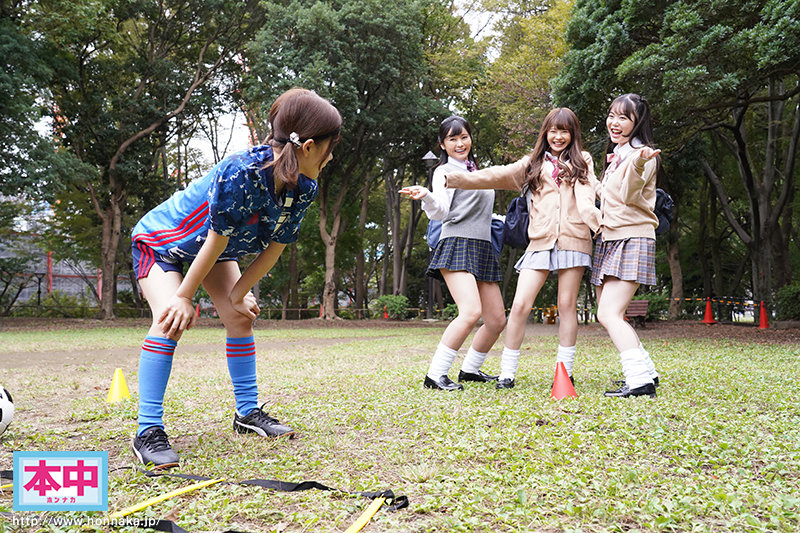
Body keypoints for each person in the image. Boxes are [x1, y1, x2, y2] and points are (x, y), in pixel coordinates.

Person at [129, 88, 341, 468]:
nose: (331, 157)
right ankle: (148, 430)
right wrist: (184, 297)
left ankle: (247, 412)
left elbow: (274, 248)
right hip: (161, 244)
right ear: (309, 147)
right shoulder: (241, 172)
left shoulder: (303, 188)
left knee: (240, 318)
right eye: (330, 148)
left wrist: (238, 295)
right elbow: (215, 239)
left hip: (216, 249)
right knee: (170, 321)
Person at [446, 108, 600, 389]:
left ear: (573, 134)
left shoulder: (583, 160)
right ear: (546, 133)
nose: (558, 137)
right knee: (519, 306)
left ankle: (565, 371)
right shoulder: (533, 163)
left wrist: (602, 219)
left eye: (564, 131)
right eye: (553, 131)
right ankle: (507, 373)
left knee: (567, 306)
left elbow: (592, 193)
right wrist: (455, 179)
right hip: (540, 240)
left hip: (575, 239)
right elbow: (496, 175)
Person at [399, 116, 506, 391]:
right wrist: (426, 195)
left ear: (471, 138)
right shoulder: (443, 172)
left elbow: (481, 211)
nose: (460, 143)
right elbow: (442, 211)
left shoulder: (477, 170)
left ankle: (470, 370)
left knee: (496, 320)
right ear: (442, 144)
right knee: (470, 312)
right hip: (457, 243)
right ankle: (435, 375)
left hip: (482, 246)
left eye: (464, 137)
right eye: (452, 139)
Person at [592, 93, 661, 398]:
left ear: (637, 122)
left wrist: (639, 164)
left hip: (632, 237)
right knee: (611, 314)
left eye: (623, 117)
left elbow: (631, 195)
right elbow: (611, 196)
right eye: (611, 115)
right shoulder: (619, 154)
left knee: (608, 314)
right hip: (612, 237)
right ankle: (647, 373)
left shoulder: (642, 155)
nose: (614, 123)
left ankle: (640, 382)